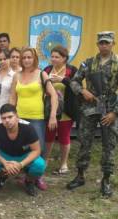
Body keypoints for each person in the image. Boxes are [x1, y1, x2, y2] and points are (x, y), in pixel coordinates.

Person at [66, 31, 118, 197]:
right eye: (101, 42)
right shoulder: (88, 63)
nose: (104, 45)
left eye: (107, 42)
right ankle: (80, 175)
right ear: (97, 44)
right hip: (90, 109)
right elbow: (74, 81)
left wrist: (115, 113)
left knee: (109, 145)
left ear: (113, 43)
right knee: (84, 142)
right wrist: (83, 91)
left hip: (109, 110)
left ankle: (106, 180)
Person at [9, 47, 58, 190]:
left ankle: (37, 176)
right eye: (23, 58)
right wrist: (12, 115)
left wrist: (53, 116)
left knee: (39, 148)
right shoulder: (16, 76)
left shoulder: (42, 74)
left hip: (37, 118)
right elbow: (13, 96)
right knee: (22, 147)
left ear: (34, 58)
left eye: (29, 57)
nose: (26, 60)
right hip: (20, 117)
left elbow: (53, 95)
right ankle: (25, 174)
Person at [0, 104, 46, 196]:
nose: (7, 120)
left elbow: (36, 150)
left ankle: (29, 181)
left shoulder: (28, 128)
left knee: (40, 164)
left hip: (24, 156)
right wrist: (5, 162)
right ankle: (2, 176)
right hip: (5, 155)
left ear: (17, 116)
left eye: (10, 117)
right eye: (4, 118)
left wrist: (21, 164)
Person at [43, 46, 78, 174]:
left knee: (64, 137)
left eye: (57, 57)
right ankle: (45, 160)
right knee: (48, 136)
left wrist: (63, 80)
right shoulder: (46, 69)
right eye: (52, 56)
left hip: (66, 112)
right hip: (50, 110)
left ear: (64, 58)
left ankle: (64, 164)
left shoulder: (72, 70)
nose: (53, 59)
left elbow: (77, 88)